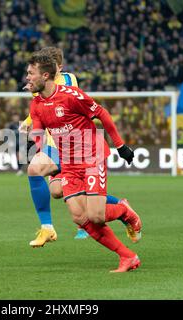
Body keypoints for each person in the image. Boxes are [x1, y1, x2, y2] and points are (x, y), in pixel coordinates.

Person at [27, 53, 142, 272]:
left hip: (92, 157)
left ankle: (125, 211)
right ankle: (127, 257)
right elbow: (40, 133)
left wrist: (121, 146)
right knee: (80, 217)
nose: (27, 78)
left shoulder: (71, 96)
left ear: (45, 75)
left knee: (96, 216)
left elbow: (102, 114)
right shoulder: (36, 104)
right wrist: (38, 150)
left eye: (31, 74)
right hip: (69, 164)